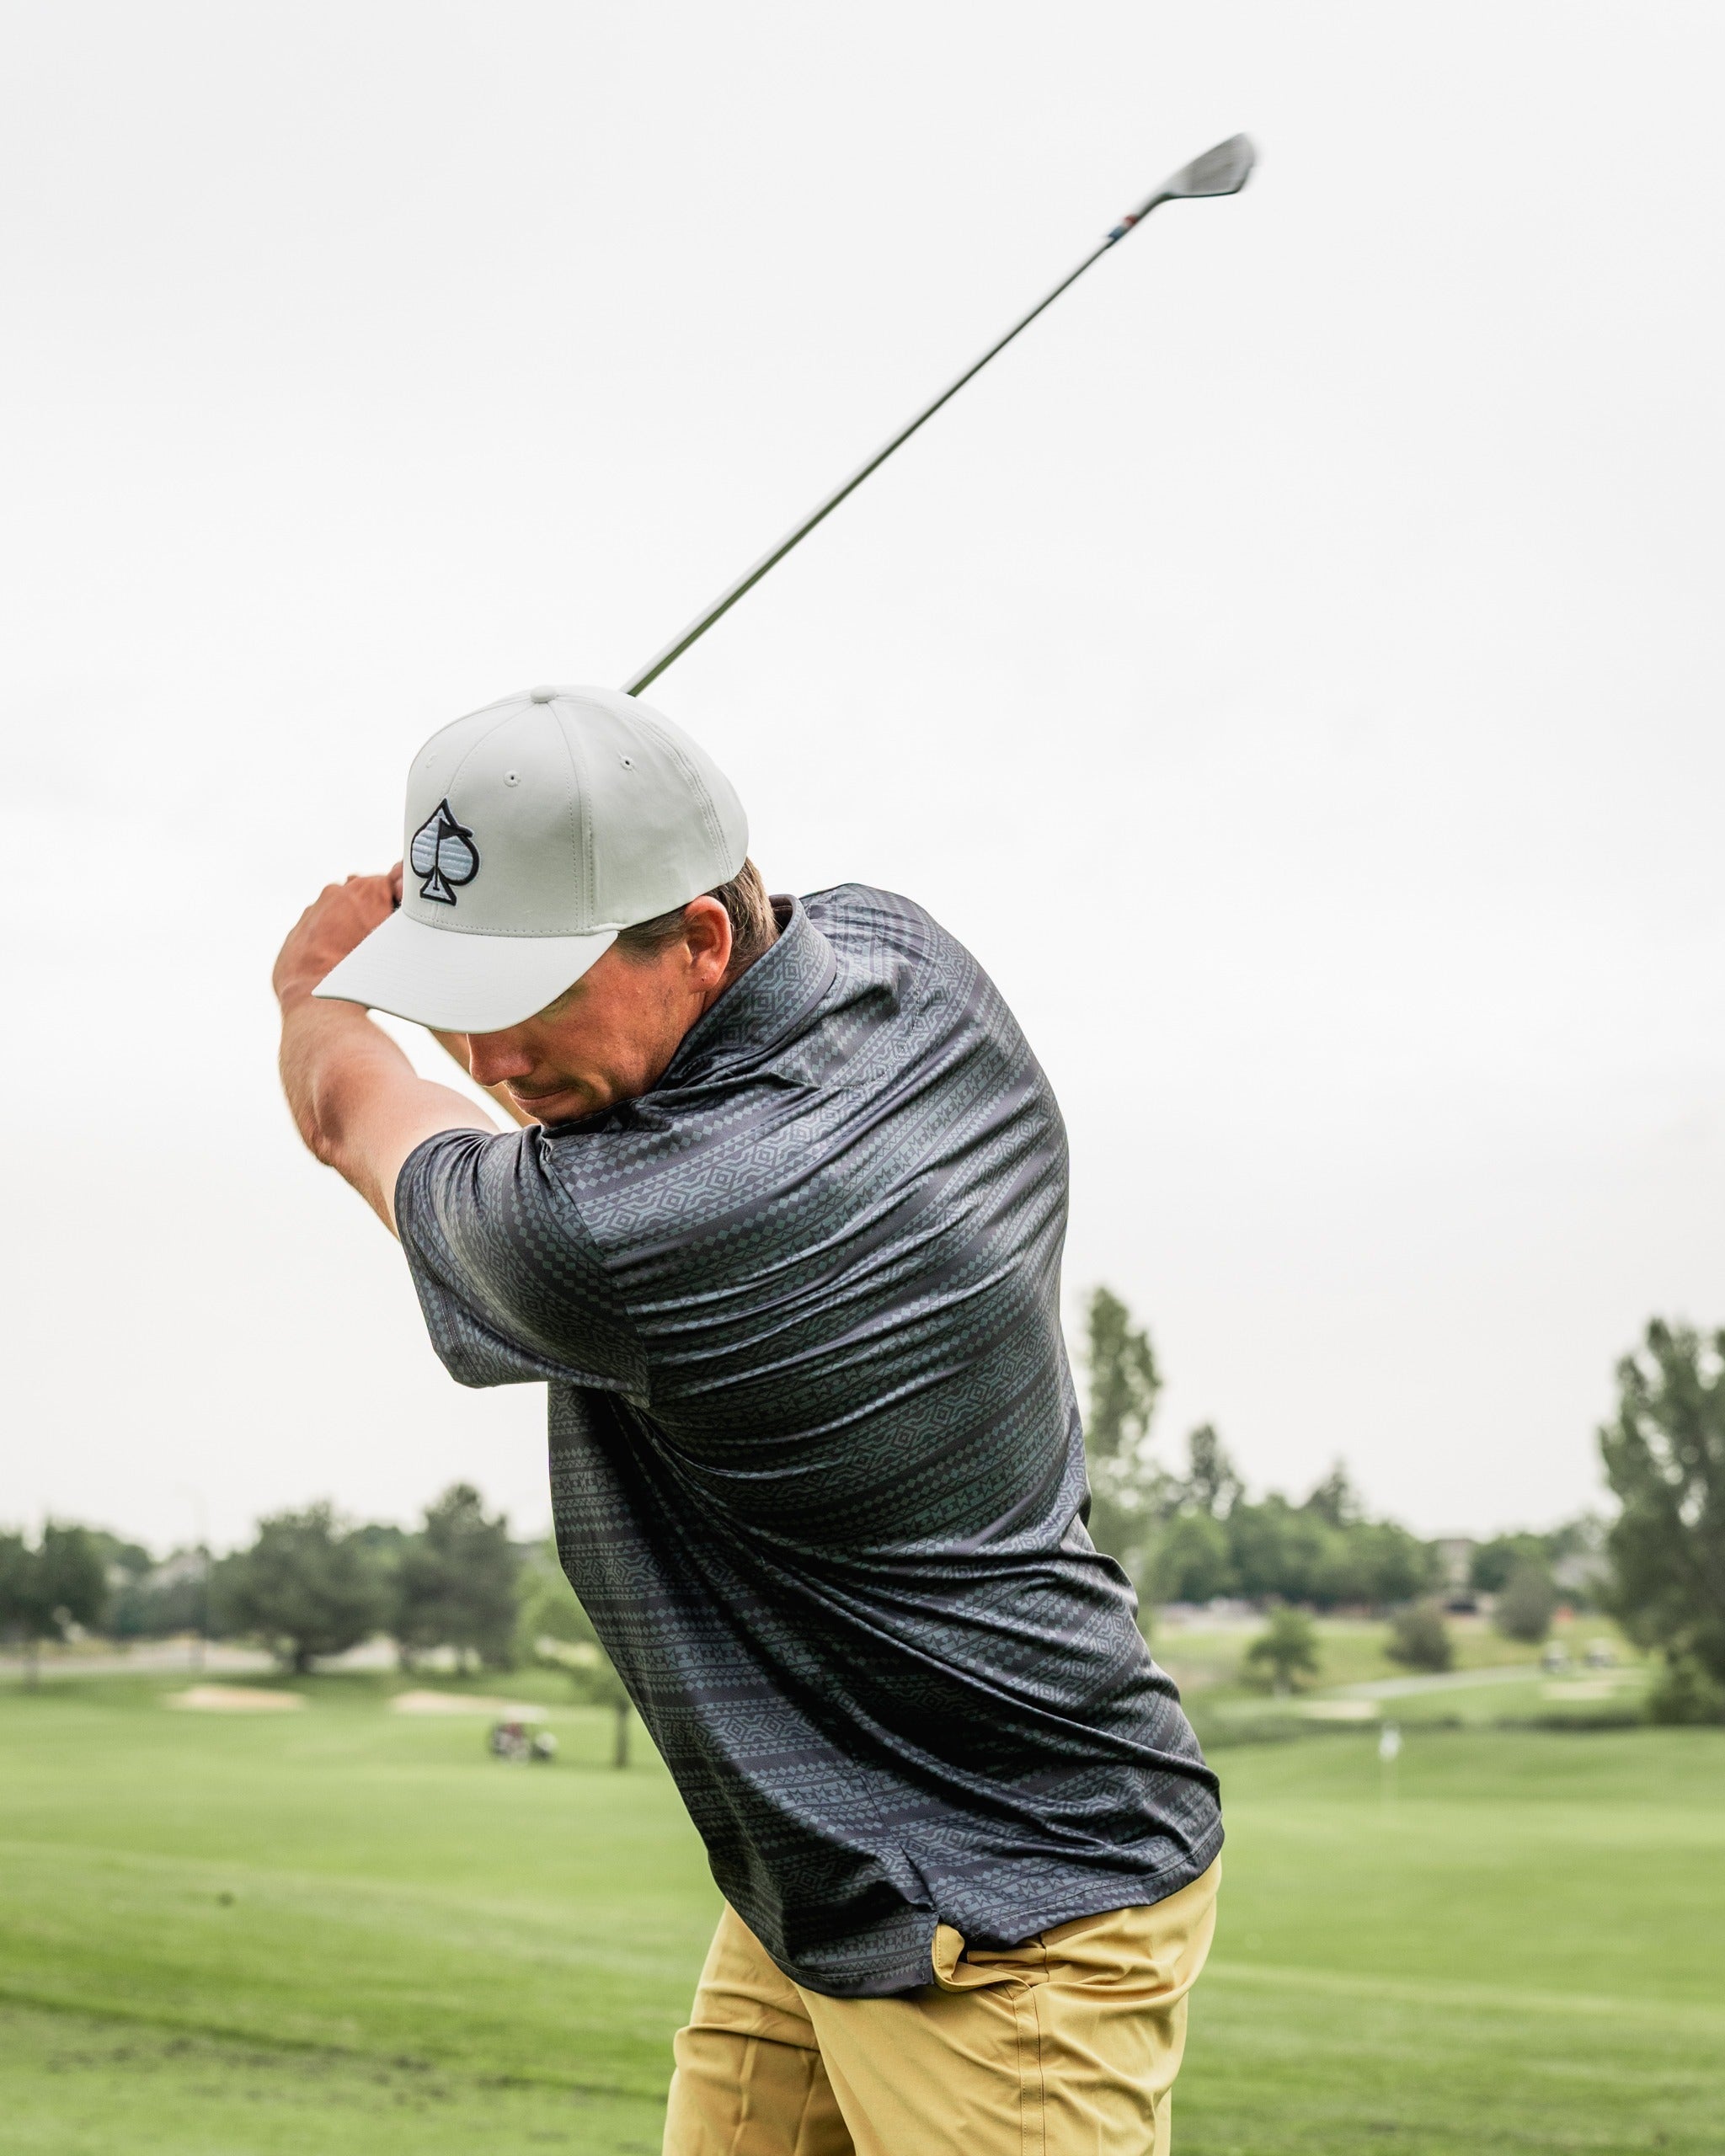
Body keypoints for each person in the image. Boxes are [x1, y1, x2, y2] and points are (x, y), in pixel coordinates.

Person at [275, 683, 1222, 2156]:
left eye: (531, 999)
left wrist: (325, 985)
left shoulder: (638, 1222)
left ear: (703, 939)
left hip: (1009, 1912)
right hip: (827, 1877)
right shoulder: (911, 962)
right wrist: (520, 854)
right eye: (460, 1006)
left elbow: (351, 1107)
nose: (496, 1061)